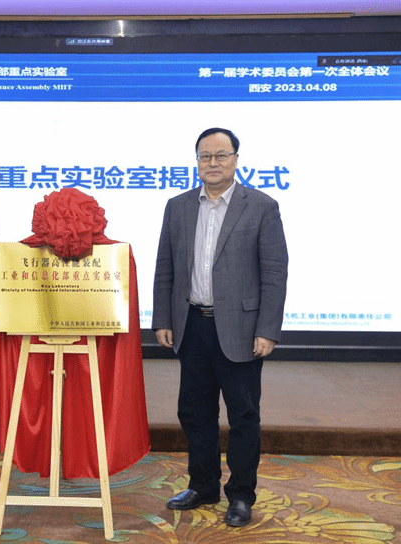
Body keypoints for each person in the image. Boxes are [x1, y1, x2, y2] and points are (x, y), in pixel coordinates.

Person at [152, 127, 288, 527]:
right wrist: (163, 318)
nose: (213, 163)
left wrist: (267, 328)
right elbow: (165, 267)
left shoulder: (261, 206)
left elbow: (274, 273)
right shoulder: (177, 206)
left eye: (221, 155)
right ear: (196, 161)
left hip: (242, 329)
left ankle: (241, 495)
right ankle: (203, 485)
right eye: (205, 156)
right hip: (192, 324)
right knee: (194, 412)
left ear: (235, 160)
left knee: (243, 415)